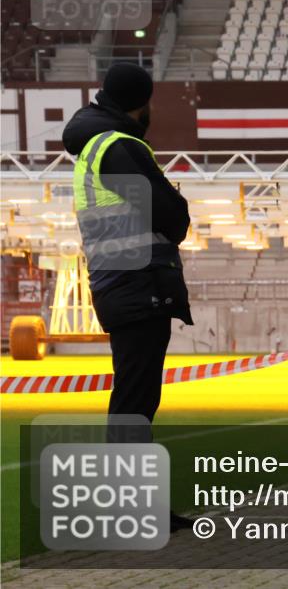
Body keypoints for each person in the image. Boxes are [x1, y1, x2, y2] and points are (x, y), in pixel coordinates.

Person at [63, 62, 194, 531]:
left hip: (118, 283)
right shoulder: (121, 147)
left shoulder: (94, 145)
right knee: (135, 401)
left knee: (133, 397)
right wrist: (178, 204)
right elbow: (170, 216)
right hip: (136, 283)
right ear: (141, 103)